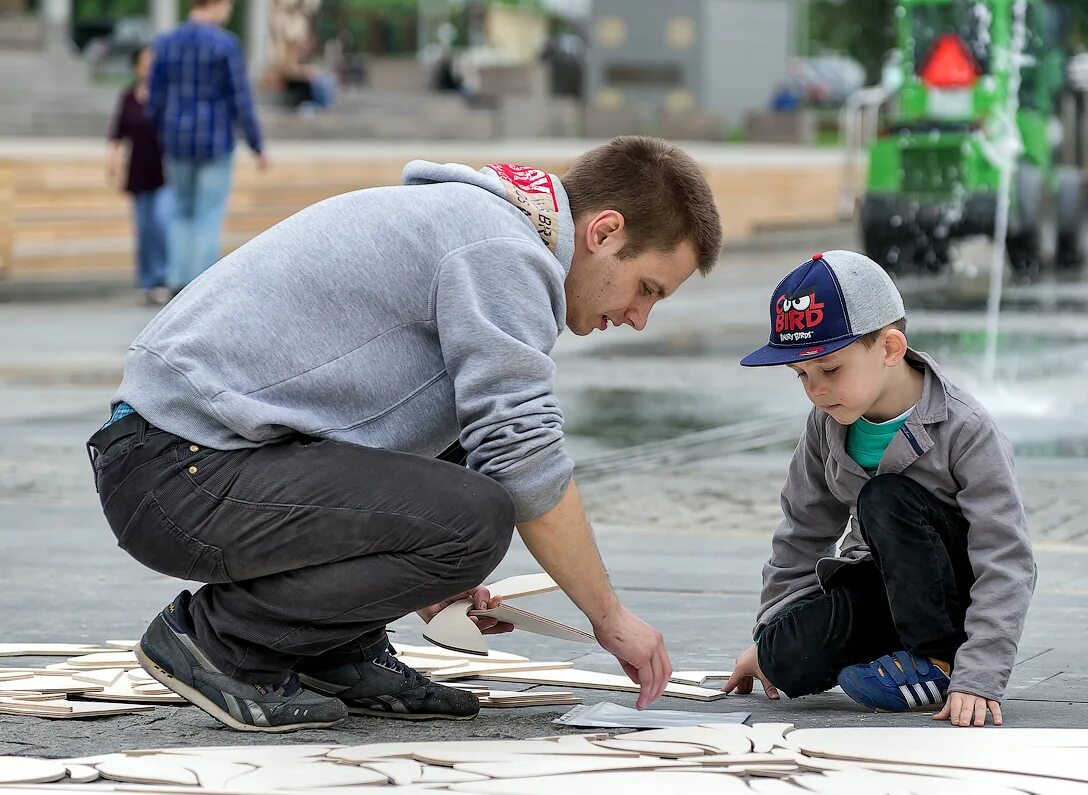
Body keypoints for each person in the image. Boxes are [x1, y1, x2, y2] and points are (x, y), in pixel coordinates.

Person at [86, 136, 723, 733]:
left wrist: (422, 571)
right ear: (605, 231)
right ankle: (222, 642)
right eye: (647, 289)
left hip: (177, 460)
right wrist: (609, 619)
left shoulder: (481, 224)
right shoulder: (501, 251)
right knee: (476, 517)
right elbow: (522, 452)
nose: (639, 318)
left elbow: (449, 438)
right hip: (178, 474)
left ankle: (333, 648)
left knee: (462, 472)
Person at [722, 251, 1036, 728]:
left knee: (885, 497)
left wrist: (981, 674)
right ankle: (896, 655)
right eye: (801, 375)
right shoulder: (827, 424)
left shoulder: (966, 429)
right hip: (883, 588)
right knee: (782, 659)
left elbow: (1006, 557)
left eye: (830, 369)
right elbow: (803, 528)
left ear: (890, 348)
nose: (815, 389)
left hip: (953, 604)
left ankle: (938, 665)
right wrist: (776, 631)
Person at [148, 0, 267, 295]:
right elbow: (241, 99)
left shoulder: (166, 42)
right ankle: (200, 287)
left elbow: (155, 97)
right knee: (208, 213)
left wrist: (160, 132)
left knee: (180, 210)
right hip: (214, 139)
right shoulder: (225, 44)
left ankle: (177, 279)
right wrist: (256, 144)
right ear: (216, 4)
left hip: (176, 139)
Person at [106, 45, 171, 306]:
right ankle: (146, 282)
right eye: (145, 62)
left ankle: (163, 277)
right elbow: (117, 133)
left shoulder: (166, 96)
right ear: (136, 66)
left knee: (161, 222)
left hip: (165, 171)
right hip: (138, 171)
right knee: (143, 229)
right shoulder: (128, 97)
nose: (149, 67)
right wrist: (112, 160)